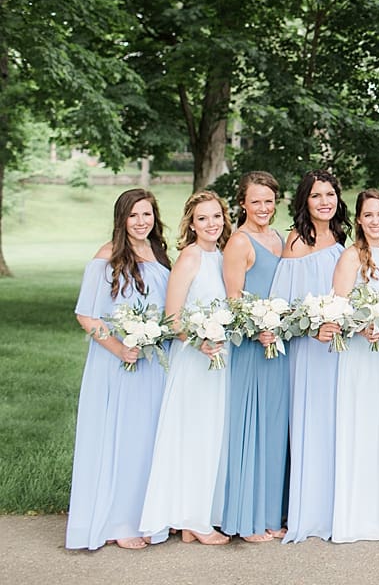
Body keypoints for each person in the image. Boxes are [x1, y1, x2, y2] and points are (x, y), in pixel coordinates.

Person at [66, 189, 172, 551]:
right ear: (121, 219)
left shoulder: (159, 254)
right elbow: (86, 314)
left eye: (147, 214)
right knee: (121, 439)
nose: (141, 222)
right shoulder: (106, 256)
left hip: (154, 363)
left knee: (147, 441)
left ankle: (146, 515)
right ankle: (119, 521)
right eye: (134, 216)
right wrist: (118, 348)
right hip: (118, 363)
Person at [140, 191, 233, 544]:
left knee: (211, 435)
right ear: (191, 224)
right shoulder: (190, 258)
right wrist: (200, 342)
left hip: (220, 360)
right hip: (194, 360)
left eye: (216, 216)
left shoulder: (221, 257)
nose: (211, 224)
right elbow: (172, 317)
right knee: (192, 435)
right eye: (203, 218)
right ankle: (191, 518)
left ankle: (197, 515)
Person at [272, 170, 349, 543]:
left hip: (339, 350)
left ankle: (337, 507)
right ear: (305, 200)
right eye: (316, 195)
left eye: (330, 194)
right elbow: (281, 307)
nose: (324, 202)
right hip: (308, 351)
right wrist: (312, 328)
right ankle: (309, 512)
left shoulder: (341, 238)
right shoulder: (297, 243)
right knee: (311, 425)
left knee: (336, 427)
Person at [221, 171, 288, 542]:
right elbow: (234, 301)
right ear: (243, 203)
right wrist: (257, 328)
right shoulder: (239, 242)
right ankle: (246, 519)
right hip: (252, 347)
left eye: (268, 200)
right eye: (256, 201)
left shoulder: (279, 238)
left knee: (276, 430)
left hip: (281, 346)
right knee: (252, 428)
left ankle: (270, 513)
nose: (263, 208)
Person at [330, 189, 379, 542]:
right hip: (362, 354)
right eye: (368, 215)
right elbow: (337, 307)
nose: (375, 221)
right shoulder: (351, 256)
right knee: (365, 427)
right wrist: (360, 325)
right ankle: (360, 515)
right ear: (358, 219)